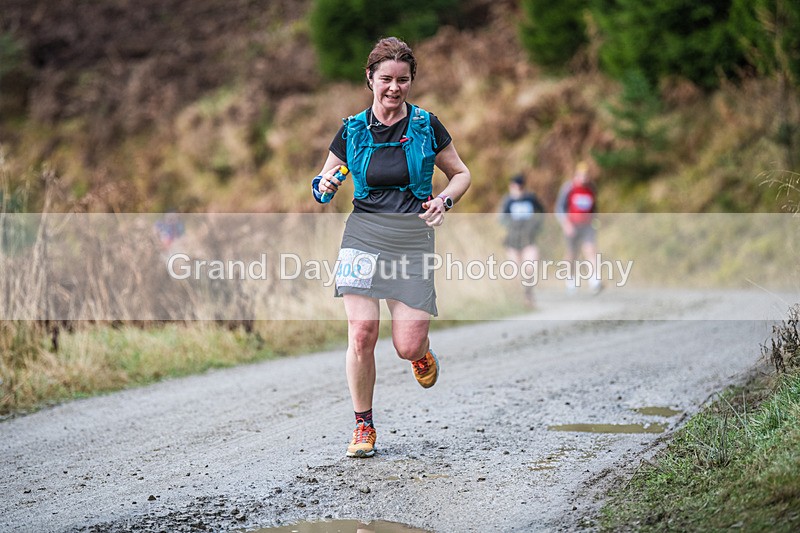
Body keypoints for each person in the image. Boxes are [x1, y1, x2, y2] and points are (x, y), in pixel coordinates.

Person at [311, 37, 471, 458]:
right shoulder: (352, 130)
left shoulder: (426, 125)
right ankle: (363, 425)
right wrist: (324, 185)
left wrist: (444, 200)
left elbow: (461, 174)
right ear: (370, 79)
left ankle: (420, 355)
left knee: (407, 344)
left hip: (412, 241)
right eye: (386, 79)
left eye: (402, 80)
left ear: (411, 81)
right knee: (361, 332)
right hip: (362, 236)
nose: (394, 88)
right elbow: (322, 185)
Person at [555, 161, 602, 294]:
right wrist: (566, 223)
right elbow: (559, 208)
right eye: (582, 175)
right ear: (576, 174)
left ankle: (594, 280)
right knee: (572, 254)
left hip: (587, 225)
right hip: (572, 225)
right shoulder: (568, 187)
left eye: (586, 175)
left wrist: (595, 220)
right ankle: (570, 279)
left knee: (590, 250)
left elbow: (593, 207)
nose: (584, 178)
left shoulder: (591, 188)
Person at [499, 173, 544, 307]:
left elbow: (541, 212)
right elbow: (501, 219)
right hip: (513, 240)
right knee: (515, 271)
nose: (516, 189)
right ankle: (520, 299)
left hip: (529, 239)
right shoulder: (508, 201)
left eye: (518, 186)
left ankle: (529, 295)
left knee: (530, 268)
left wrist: (536, 226)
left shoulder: (531, 198)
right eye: (513, 186)